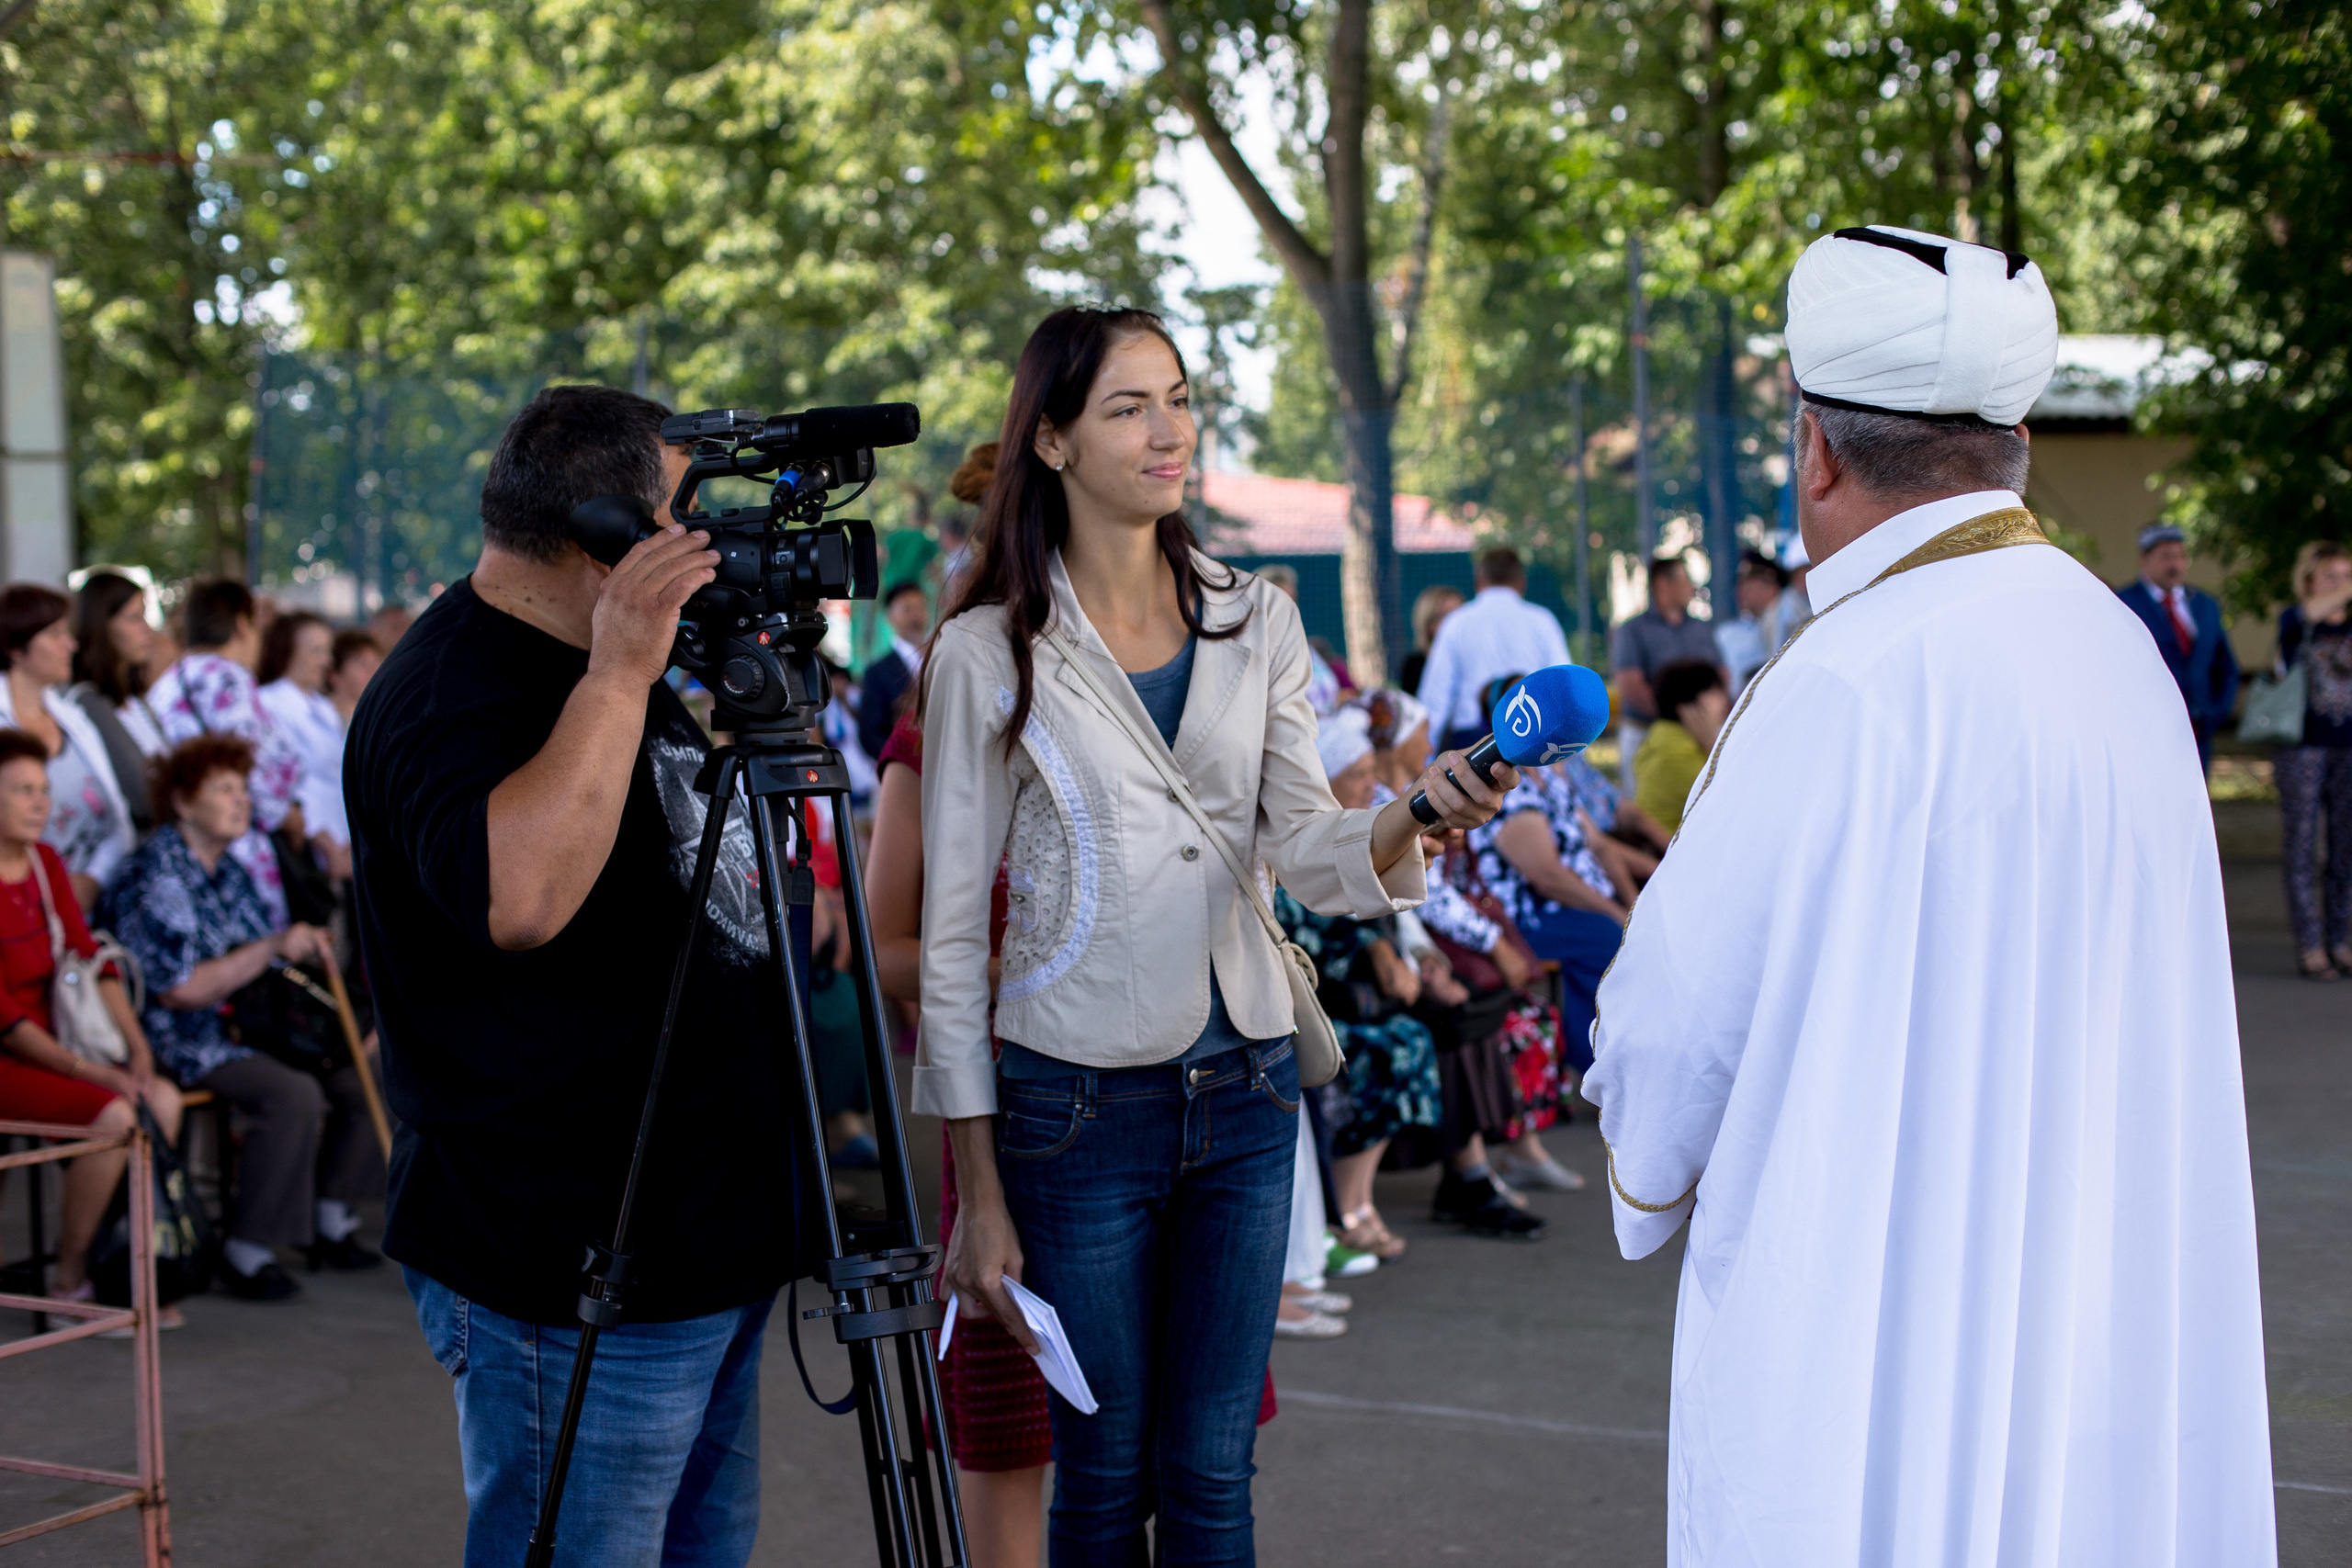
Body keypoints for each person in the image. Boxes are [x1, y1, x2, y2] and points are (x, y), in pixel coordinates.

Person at [1584, 224, 2275, 1563]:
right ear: (2013, 439)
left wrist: (1648, 1171)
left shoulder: (1829, 678)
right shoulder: (2120, 650)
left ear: (1817, 449)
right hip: (2098, 1280)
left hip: (1873, 1310)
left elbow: (1671, 1032)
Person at [920, 306, 1513, 1565]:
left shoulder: (1260, 619)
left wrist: (1417, 809)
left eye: (1179, 396)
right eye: (1128, 406)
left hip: (1244, 1085)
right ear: (1056, 442)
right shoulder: (983, 651)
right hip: (1067, 1105)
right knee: (1099, 1472)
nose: (1168, 427)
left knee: (1209, 1475)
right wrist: (975, 1190)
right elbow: (949, 944)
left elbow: (1307, 851)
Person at [345, 383, 800, 1567]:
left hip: (699, 1243)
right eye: (684, 515)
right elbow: (522, 898)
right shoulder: (452, 692)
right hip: (567, 1264)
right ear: (611, 533)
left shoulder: (607, 657)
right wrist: (620, 673)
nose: (707, 543)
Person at [864, 709, 1051, 1568]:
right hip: (1001, 1114)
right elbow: (881, 949)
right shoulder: (935, 734)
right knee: (1007, 1424)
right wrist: (1033, 968)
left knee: (1173, 1452)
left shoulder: (1146, 692)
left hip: (1155, 1105)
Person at [100, 734, 379, 1301]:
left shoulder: (230, 871)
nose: (240, 801)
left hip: (249, 1024)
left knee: (366, 1072)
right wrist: (273, 946)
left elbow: (263, 953)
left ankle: (331, 1217)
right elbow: (181, 991)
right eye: (223, 789)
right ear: (181, 802)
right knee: (292, 1094)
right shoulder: (157, 873)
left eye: (243, 790)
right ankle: (248, 1250)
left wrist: (297, 945)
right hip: (184, 1038)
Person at [0, 728, 183, 1312]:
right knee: (113, 1114)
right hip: (15, 1055)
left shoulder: (44, 861)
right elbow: (5, 1022)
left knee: (163, 1097)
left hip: (60, 1038)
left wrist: (136, 1046)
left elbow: (91, 958)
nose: (39, 803)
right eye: (22, 790)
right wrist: (93, 1072)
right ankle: (68, 1279)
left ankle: (125, 1261)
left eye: (43, 790)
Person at [143, 578, 306, 923]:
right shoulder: (228, 678)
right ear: (243, 625)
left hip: (196, 846)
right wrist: (288, 817)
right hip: (239, 851)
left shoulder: (167, 683)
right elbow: (255, 769)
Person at [0, 585, 137, 910]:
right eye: (55, 634)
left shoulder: (74, 720)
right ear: (17, 649)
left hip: (99, 897)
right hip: (23, 907)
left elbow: (119, 818)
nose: (70, 645)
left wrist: (93, 879)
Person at [2272, 538, 2352, 979]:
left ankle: (2339, 941)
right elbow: (2310, 613)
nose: (2342, 585)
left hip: (2348, 748)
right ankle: (2310, 946)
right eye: (2332, 576)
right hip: (2301, 748)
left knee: (2345, 850)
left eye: (2346, 575)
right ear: (2308, 582)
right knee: (2302, 847)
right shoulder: (2296, 619)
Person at [1416, 547, 1571, 753]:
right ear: (1521, 582)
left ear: (1479, 581)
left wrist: (1423, 763)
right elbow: (1563, 687)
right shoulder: (1543, 621)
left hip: (1472, 744)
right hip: (1533, 738)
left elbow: (1435, 699)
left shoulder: (1456, 623)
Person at [2119, 523, 2241, 773]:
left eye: (2180, 556)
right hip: (2145, 730)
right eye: (2165, 557)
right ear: (2145, 560)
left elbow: (2225, 664)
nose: (2175, 564)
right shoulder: (2123, 604)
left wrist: (2217, 711)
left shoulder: (2205, 604)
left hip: (2199, 730)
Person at [1609, 554, 1727, 789]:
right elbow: (1630, 685)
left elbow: (1721, 675)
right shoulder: (1633, 630)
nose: (1691, 587)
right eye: (1686, 580)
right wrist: (1678, 719)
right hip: (1646, 736)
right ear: (1662, 584)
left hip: (1701, 737)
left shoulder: (1702, 628)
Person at [68, 570, 167, 831]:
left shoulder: (135, 700)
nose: (147, 629)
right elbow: (144, 795)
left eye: (145, 616)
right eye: (135, 618)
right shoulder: (88, 703)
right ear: (102, 626)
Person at [257, 610, 354, 869]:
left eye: (328, 650)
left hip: (343, 847)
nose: (326, 660)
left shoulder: (323, 706)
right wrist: (323, 841)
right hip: (308, 848)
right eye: (315, 651)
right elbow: (286, 781)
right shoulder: (268, 703)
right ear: (287, 651)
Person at [1631, 659, 1730, 838]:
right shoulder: (1675, 753)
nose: (1725, 701)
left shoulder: (1662, 737)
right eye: (1714, 692)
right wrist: (1712, 744)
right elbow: (1732, 801)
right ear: (1687, 706)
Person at [857, 581, 933, 766]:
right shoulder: (877, 672)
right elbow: (870, 734)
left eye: (921, 607)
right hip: (903, 768)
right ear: (890, 616)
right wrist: (901, 763)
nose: (917, 616)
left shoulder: (940, 659)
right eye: (907, 610)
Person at [1713, 550, 1785, 693]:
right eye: (1739, 584)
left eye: (1748, 583)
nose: (1740, 590)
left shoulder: (1789, 617)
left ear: (1772, 587)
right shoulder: (1737, 630)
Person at [1397, 582, 1465, 695]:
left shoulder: (1473, 660)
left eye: (1460, 615)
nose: (1455, 623)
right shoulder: (1415, 666)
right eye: (1447, 616)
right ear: (1429, 623)